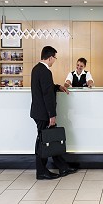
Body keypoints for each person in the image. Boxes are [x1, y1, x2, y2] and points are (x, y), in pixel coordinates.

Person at [30, 46, 78, 180]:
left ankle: (63, 167)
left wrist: (57, 87)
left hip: (38, 112)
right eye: (55, 58)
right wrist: (52, 115)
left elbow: (46, 87)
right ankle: (41, 171)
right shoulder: (45, 71)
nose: (54, 61)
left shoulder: (36, 69)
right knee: (43, 141)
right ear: (50, 57)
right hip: (43, 113)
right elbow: (47, 95)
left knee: (50, 139)